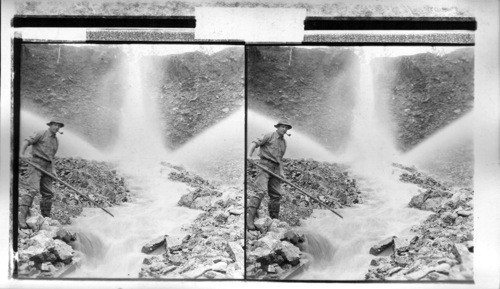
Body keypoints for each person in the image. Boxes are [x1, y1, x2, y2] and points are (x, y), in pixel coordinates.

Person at [247, 119, 292, 230]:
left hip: (275, 169)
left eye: (286, 127)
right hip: (264, 166)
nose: (284, 129)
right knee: (260, 192)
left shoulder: (284, 142)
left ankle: (274, 219)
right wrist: (249, 155)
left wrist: (281, 172)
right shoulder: (269, 135)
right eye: (282, 127)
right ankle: (249, 219)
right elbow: (254, 143)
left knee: (276, 195)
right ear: (277, 127)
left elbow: (280, 159)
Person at [19, 118, 64, 228]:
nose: (57, 127)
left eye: (59, 126)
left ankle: (46, 218)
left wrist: (53, 171)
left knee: (48, 194)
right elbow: (27, 141)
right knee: (32, 190)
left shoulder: (56, 141)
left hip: (47, 167)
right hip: (36, 164)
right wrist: (21, 153)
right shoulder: (41, 133)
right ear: (50, 125)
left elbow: (52, 157)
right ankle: (21, 218)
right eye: (55, 125)